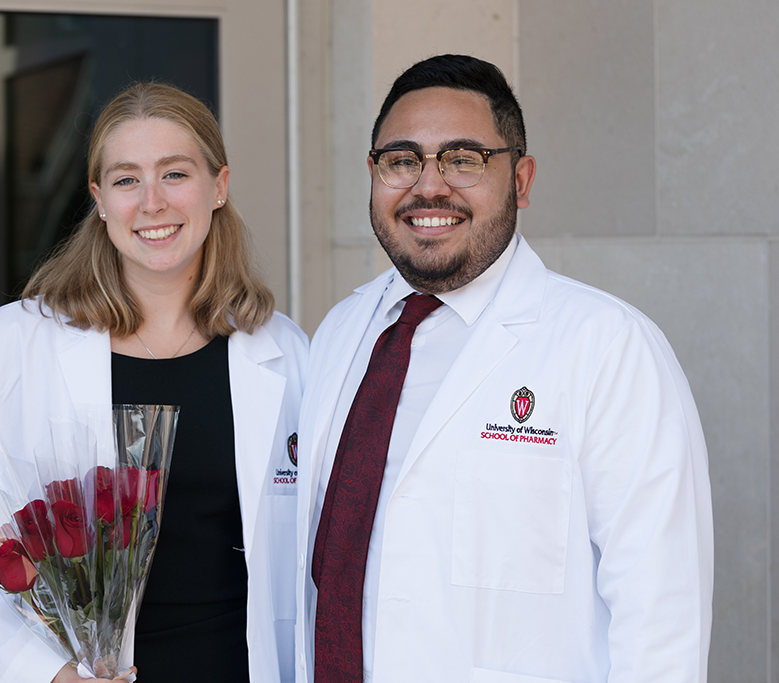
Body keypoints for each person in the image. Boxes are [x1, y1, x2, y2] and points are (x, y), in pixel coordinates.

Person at [294, 54, 713, 683]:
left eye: (464, 158)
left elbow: (662, 614)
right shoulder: (340, 333)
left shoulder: (609, 347)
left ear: (521, 179)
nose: (427, 187)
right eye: (401, 160)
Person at [0, 82, 307, 683]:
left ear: (218, 186)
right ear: (98, 198)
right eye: (125, 180)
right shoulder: (13, 342)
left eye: (174, 174)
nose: (151, 203)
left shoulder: (283, 350)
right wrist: (37, 670)